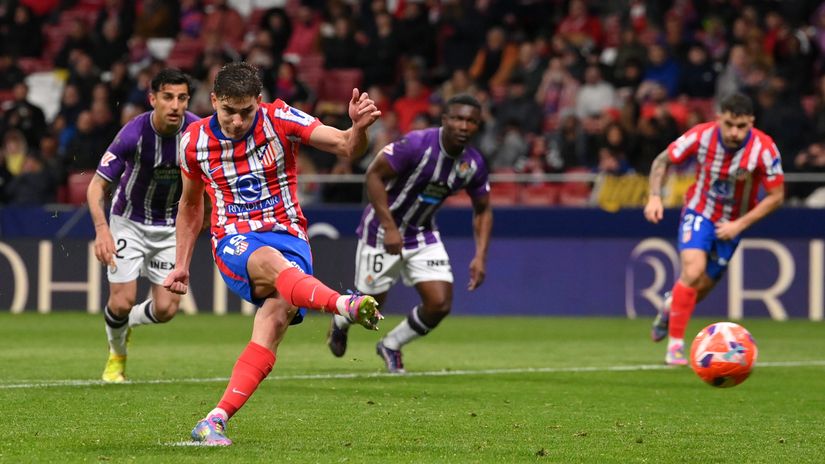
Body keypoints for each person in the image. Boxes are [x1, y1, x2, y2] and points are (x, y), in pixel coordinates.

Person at [162, 62, 383, 446]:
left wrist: (359, 130)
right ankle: (342, 305)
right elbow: (190, 205)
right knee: (270, 263)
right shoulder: (193, 142)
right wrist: (181, 264)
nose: (236, 121)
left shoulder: (279, 118)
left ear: (258, 102)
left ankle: (214, 419)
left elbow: (347, 146)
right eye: (228, 111)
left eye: (246, 112)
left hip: (289, 234)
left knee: (275, 320)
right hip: (234, 237)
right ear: (214, 101)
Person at [327, 93, 493, 374]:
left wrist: (480, 256)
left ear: (478, 126)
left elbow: (483, 209)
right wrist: (390, 228)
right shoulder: (417, 145)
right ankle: (341, 322)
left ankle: (391, 345)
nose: (464, 126)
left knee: (440, 303)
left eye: (471, 121)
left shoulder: (473, 164)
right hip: (381, 230)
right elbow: (373, 176)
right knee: (372, 305)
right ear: (445, 120)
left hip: (422, 233)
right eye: (458, 118)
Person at [643, 92, 784, 365]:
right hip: (700, 211)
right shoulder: (701, 136)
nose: (734, 132)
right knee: (692, 270)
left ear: (751, 122)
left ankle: (669, 308)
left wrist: (739, 225)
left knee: (700, 288)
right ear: (719, 118)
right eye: (729, 124)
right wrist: (654, 196)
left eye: (742, 126)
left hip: (733, 223)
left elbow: (777, 196)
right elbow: (662, 161)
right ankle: (675, 348)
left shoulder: (764, 149)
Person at [87, 68, 199, 383]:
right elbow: (96, 186)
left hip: (169, 226)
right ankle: (116, 357)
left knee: (166, 310)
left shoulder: (196, 132)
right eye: (168, 97)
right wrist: (102, 229)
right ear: (153, 99)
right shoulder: (133, 134)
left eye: (182, 98)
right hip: (129, 222)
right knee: (120, 301)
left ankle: (128, 323)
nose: (175, 105)